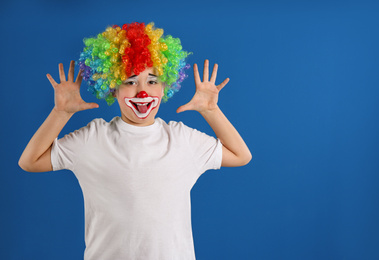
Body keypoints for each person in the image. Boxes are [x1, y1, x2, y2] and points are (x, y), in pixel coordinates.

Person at [19, 22, 251, 260]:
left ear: (165, 88)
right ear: (113, 88)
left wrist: (211, 110)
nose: (142, 92)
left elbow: (241, 155)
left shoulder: (182, 139)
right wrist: (61, 113)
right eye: (130, 82)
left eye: (152, 81)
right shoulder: (92, 138)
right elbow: (30, 161)